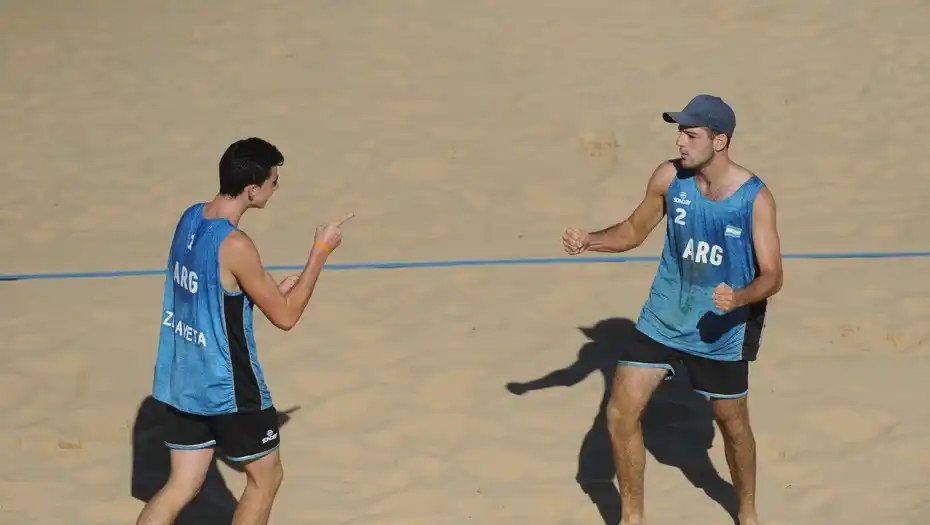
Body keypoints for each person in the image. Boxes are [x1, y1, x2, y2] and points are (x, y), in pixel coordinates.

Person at [562, 94, 783, 525]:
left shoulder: (754, 198)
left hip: (724, 326)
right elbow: (631, 231)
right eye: (680, 132)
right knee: (621, 410)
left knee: (732, 426)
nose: (681, 142)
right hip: (665, 315)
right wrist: (590, 240)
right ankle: (633, 518)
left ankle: (748, 511)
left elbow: (773, 275)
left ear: (720, 141)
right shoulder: (669, 177)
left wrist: (738, 298)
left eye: (691, 134)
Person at [137, 137, 354, 525]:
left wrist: (263, 294)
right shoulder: (235, 244)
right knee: (266, 479)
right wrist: (320, 252)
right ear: (252, 189)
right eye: (273, 181)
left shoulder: (190, 218)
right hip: (227, 388)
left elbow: (215, 292)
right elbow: (286, 317)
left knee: (180, 487)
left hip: (182, 377)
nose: (276, 187)